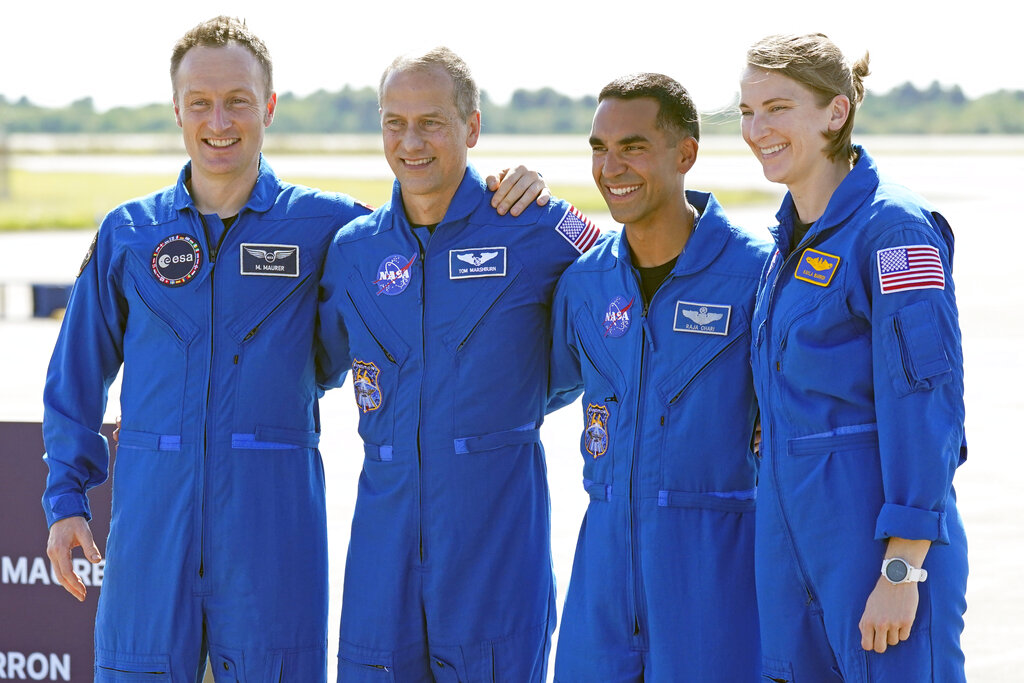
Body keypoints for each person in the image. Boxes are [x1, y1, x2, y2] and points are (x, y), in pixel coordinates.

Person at [40, 17, 547, 682]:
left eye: (238, 101)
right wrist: (67, 498)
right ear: (177, 110)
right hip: (150, 541)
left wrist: (509, 191)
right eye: (200, 103)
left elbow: (427, 229)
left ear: (269, 107)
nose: (219, 122)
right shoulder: (129, 234)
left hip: (271, 541)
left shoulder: (331, 228)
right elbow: (76, 375)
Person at [316, 47, 600, 682]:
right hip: (381, 554)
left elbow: (630, 286)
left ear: (472, 128)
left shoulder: (531, 225)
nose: (410, 142)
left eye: (431, 122)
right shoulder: (355, 252)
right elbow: (304, 363)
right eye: (395, 122)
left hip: (496, 550)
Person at [738, 33, 969, 682]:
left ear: (835, 113)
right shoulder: (784, 246)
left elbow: (926, 398)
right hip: (793, 557)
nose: (758, 129)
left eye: (778, 107)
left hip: (877, 561)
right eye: (748, 111)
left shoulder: (891, 229)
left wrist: (903, 565)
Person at [547, 73, 769, 682]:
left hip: (717, 576)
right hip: (602, 578)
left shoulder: (756, 277)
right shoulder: (585, 284)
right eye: (599, 147)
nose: (611, 166)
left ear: (686, 154)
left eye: (634, 146)